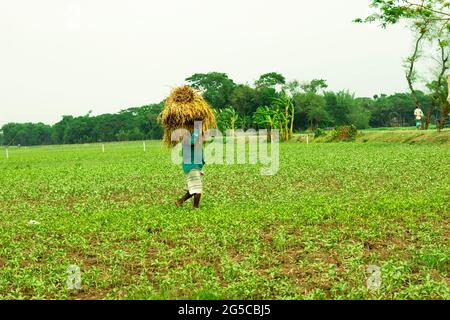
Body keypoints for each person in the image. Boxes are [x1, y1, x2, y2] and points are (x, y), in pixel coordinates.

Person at [175, 123, 205, 209]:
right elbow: (193, 140)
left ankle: (179, 202)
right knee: (197, 189)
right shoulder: (187, 139)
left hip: (195, 167)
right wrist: (197, 125)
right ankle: (195, 207)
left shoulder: (194, 140)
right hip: (192, 167)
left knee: (193, 188)